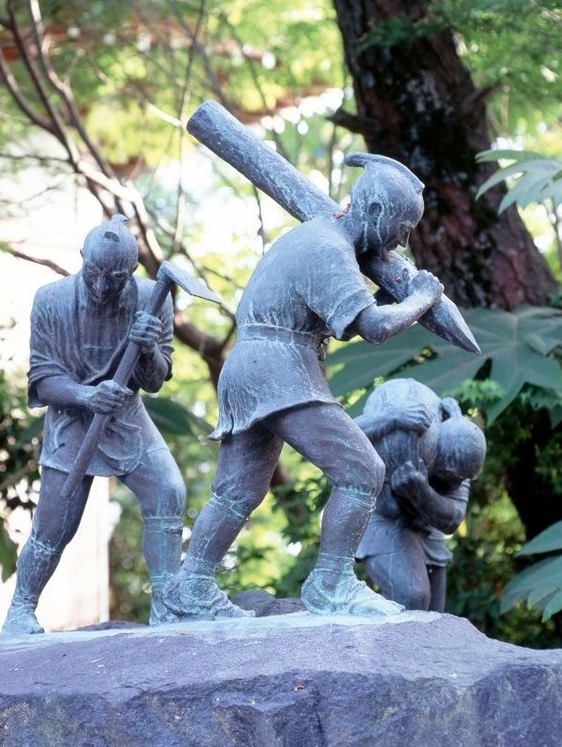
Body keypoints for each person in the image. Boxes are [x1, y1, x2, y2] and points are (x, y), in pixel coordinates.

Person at [157, 152, 446, 621]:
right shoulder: (327, 247)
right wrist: (421, 298)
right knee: (361, 471)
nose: (404, 241)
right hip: (278, 365)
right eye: (404, 228)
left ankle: (192, 585)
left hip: (251, 366)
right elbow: (372, 327)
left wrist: (390, 296)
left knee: (237, 492)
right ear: (374, 211)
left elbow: (347, 312)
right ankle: (331, 583)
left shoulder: (320, 239)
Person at [1, 215, 186, 634]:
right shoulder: (51, 300)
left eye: (115, 278)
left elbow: (155, 381)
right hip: (71, 420)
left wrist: (148, 349)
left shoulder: (152, 298)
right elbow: (43, 379)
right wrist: (87, 396)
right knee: (53, 527)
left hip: (126, 416)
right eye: (94, 273)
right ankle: (19, 612)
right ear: (82, 258)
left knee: (168, 491)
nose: (102, 286)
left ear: (132, 271)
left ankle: (168, 605)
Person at [353, 378, 486, 612]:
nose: (455, 483)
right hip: (382, 517)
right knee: (413, 597)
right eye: (450, 475)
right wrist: (392, 418)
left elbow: (453, 519)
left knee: (434, 613)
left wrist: (421, 492)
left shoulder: (460, 457)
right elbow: (345, 435)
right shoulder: (433, 443)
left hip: (425, 527)